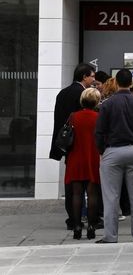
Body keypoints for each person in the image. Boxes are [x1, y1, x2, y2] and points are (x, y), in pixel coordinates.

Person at [95, 68, 133, 243]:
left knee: (111, 197)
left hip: (112, 150)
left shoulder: (107, 104)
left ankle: (111, 236)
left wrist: (102, 150)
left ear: (117, 82)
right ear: (131, 83)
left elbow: (99, 132)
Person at [50, 63, 96, 230]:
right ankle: (90, 219)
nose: (94, 79)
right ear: (84, 76)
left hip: (67, 144)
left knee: (72, 185)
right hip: (83, 145)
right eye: (92, 76)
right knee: (89, 185)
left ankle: (73, 219)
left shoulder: (63, 93)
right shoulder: (83, 94)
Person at [64, 88, 102, 240]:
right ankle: (92, 226)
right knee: (92, 194)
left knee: (77, 194)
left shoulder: (73, 116)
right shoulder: (99, 117)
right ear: (97, 101)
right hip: (93, 157)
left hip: (76, 157)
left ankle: (77, 226)